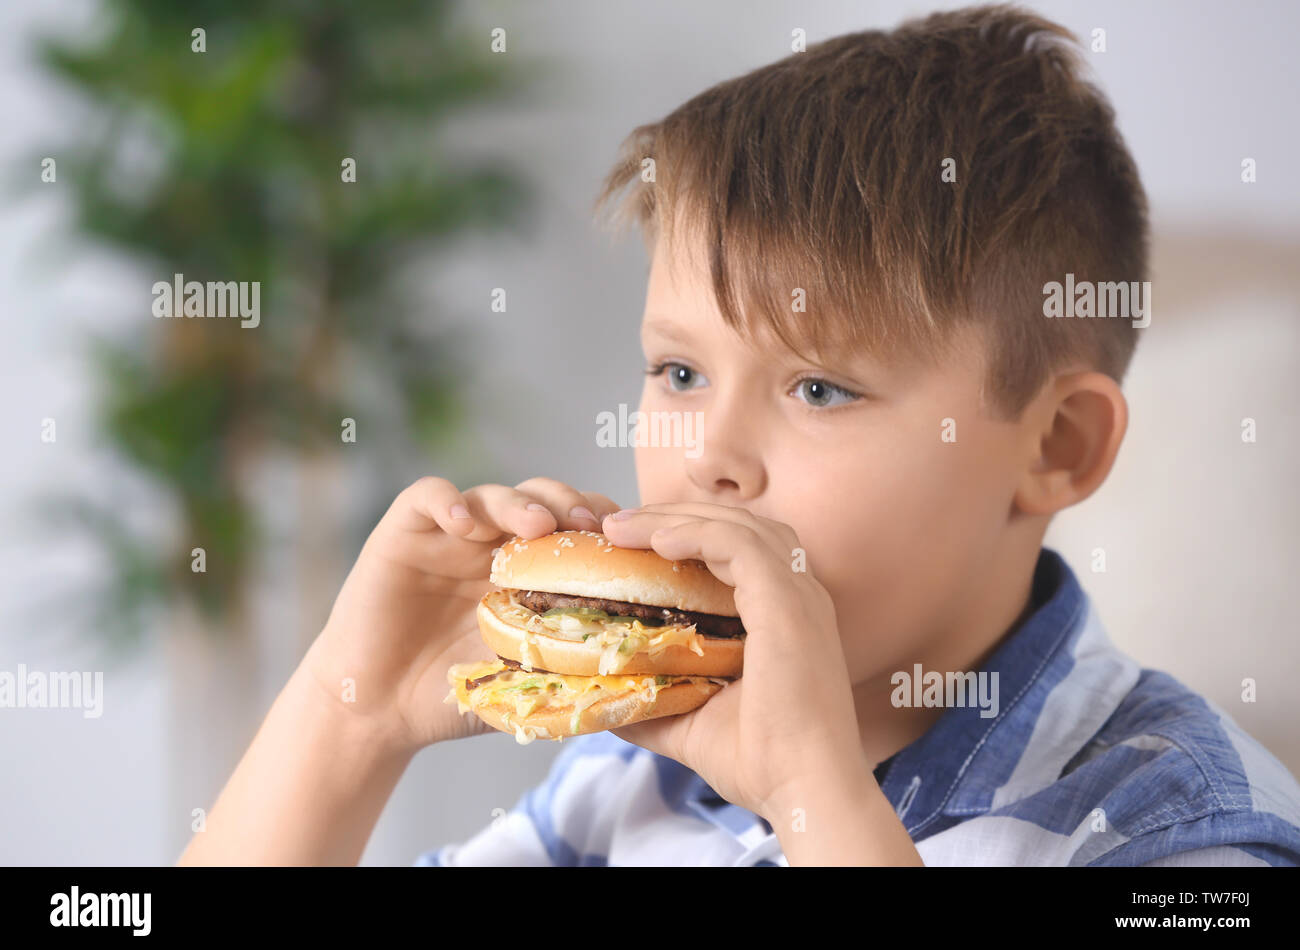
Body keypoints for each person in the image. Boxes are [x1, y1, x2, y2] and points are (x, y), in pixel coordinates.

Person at [178, 4, 1300, 866]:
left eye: (818, 389)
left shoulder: (1187, 821)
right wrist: (352, 707)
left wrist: (814, 793)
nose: (707, 454)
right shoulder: (630, 779)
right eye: (677, 370)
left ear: (1055, 445)